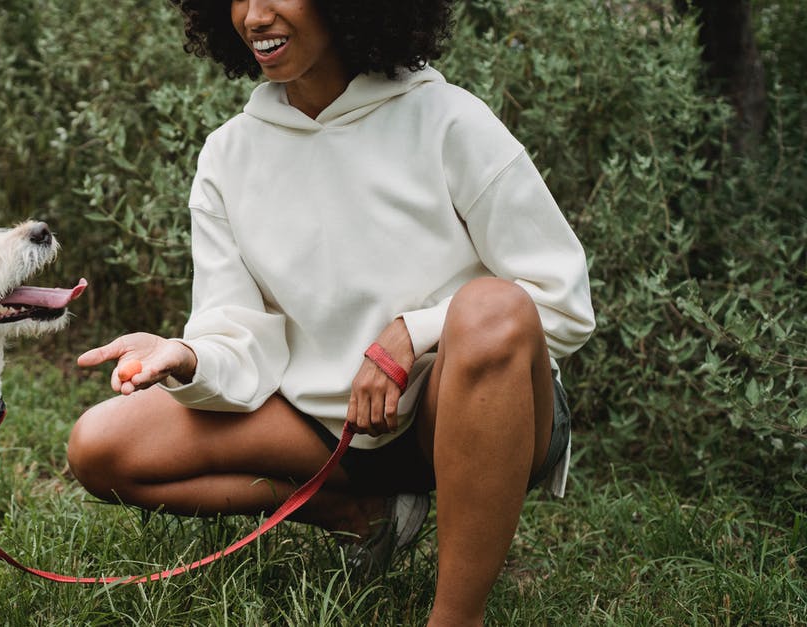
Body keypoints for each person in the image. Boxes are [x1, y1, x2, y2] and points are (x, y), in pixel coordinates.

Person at [67, 0, 595, 624]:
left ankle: (456, 616)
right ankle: (361, 515)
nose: (255, 15)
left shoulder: (450, 120)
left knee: (491, 308)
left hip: (467, 411)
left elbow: (559, 299)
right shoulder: (229, 155)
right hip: (330, 427)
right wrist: (188, 354)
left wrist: (412, 335)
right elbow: (236, 330)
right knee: (99, 447)